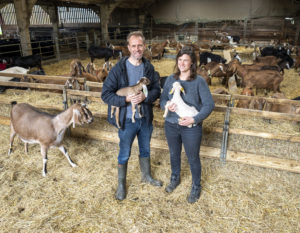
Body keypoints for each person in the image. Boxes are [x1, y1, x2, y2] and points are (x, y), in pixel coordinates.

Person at [101, 31, 162, 201]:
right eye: (133, 46)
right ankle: (121, 184)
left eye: (140, 45)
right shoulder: (118, 69)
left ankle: (146, 176)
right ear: (128, 48)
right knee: (124, 152)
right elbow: (105, 95)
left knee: (145, 149)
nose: (137, 49)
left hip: (145, 119)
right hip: (127, 120)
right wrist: (125, 99)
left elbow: (156, 89)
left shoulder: (148, 68)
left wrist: (146, 97)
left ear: (144, 46)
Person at [160, 46, 215, 203]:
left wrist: (195, 119)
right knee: (173, 154)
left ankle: (196, 186)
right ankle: (175, 178)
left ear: (192, 64)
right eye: (179, 60)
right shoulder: (171, 79)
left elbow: (209, 105)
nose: (182, 63)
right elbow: (163, 99)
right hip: (171, 124)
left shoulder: (199, 82)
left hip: (191, 127)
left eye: (185, 60)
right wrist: (166, 105)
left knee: (192, 158)